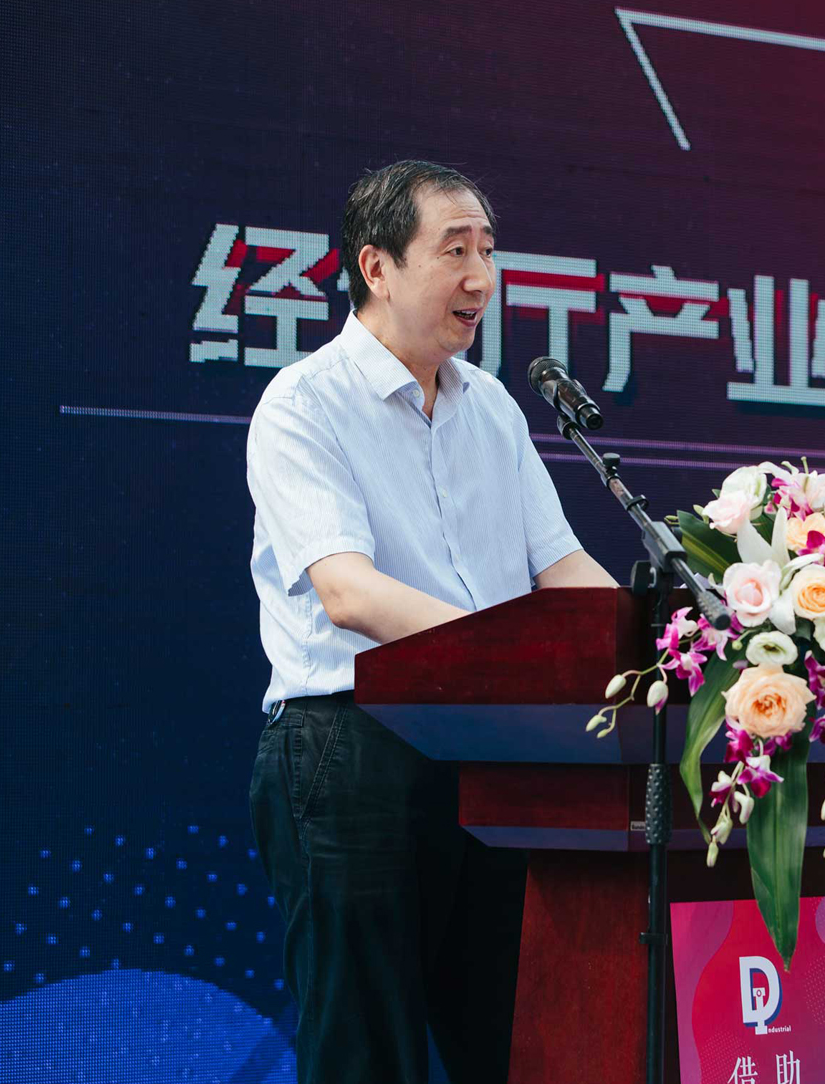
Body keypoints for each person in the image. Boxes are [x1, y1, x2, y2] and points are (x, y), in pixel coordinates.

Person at [244, 159, 617, 1084]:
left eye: (488, 250)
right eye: (455, 251)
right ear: (376, 267)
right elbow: (349, 592)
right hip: (352, 751)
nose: (481, 278)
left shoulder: (490, 406)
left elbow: (561, 568)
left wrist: (671, 651)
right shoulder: (304, 402)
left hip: (491, 750)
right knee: (364, 1054)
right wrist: (509, 661)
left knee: (517, 1046)